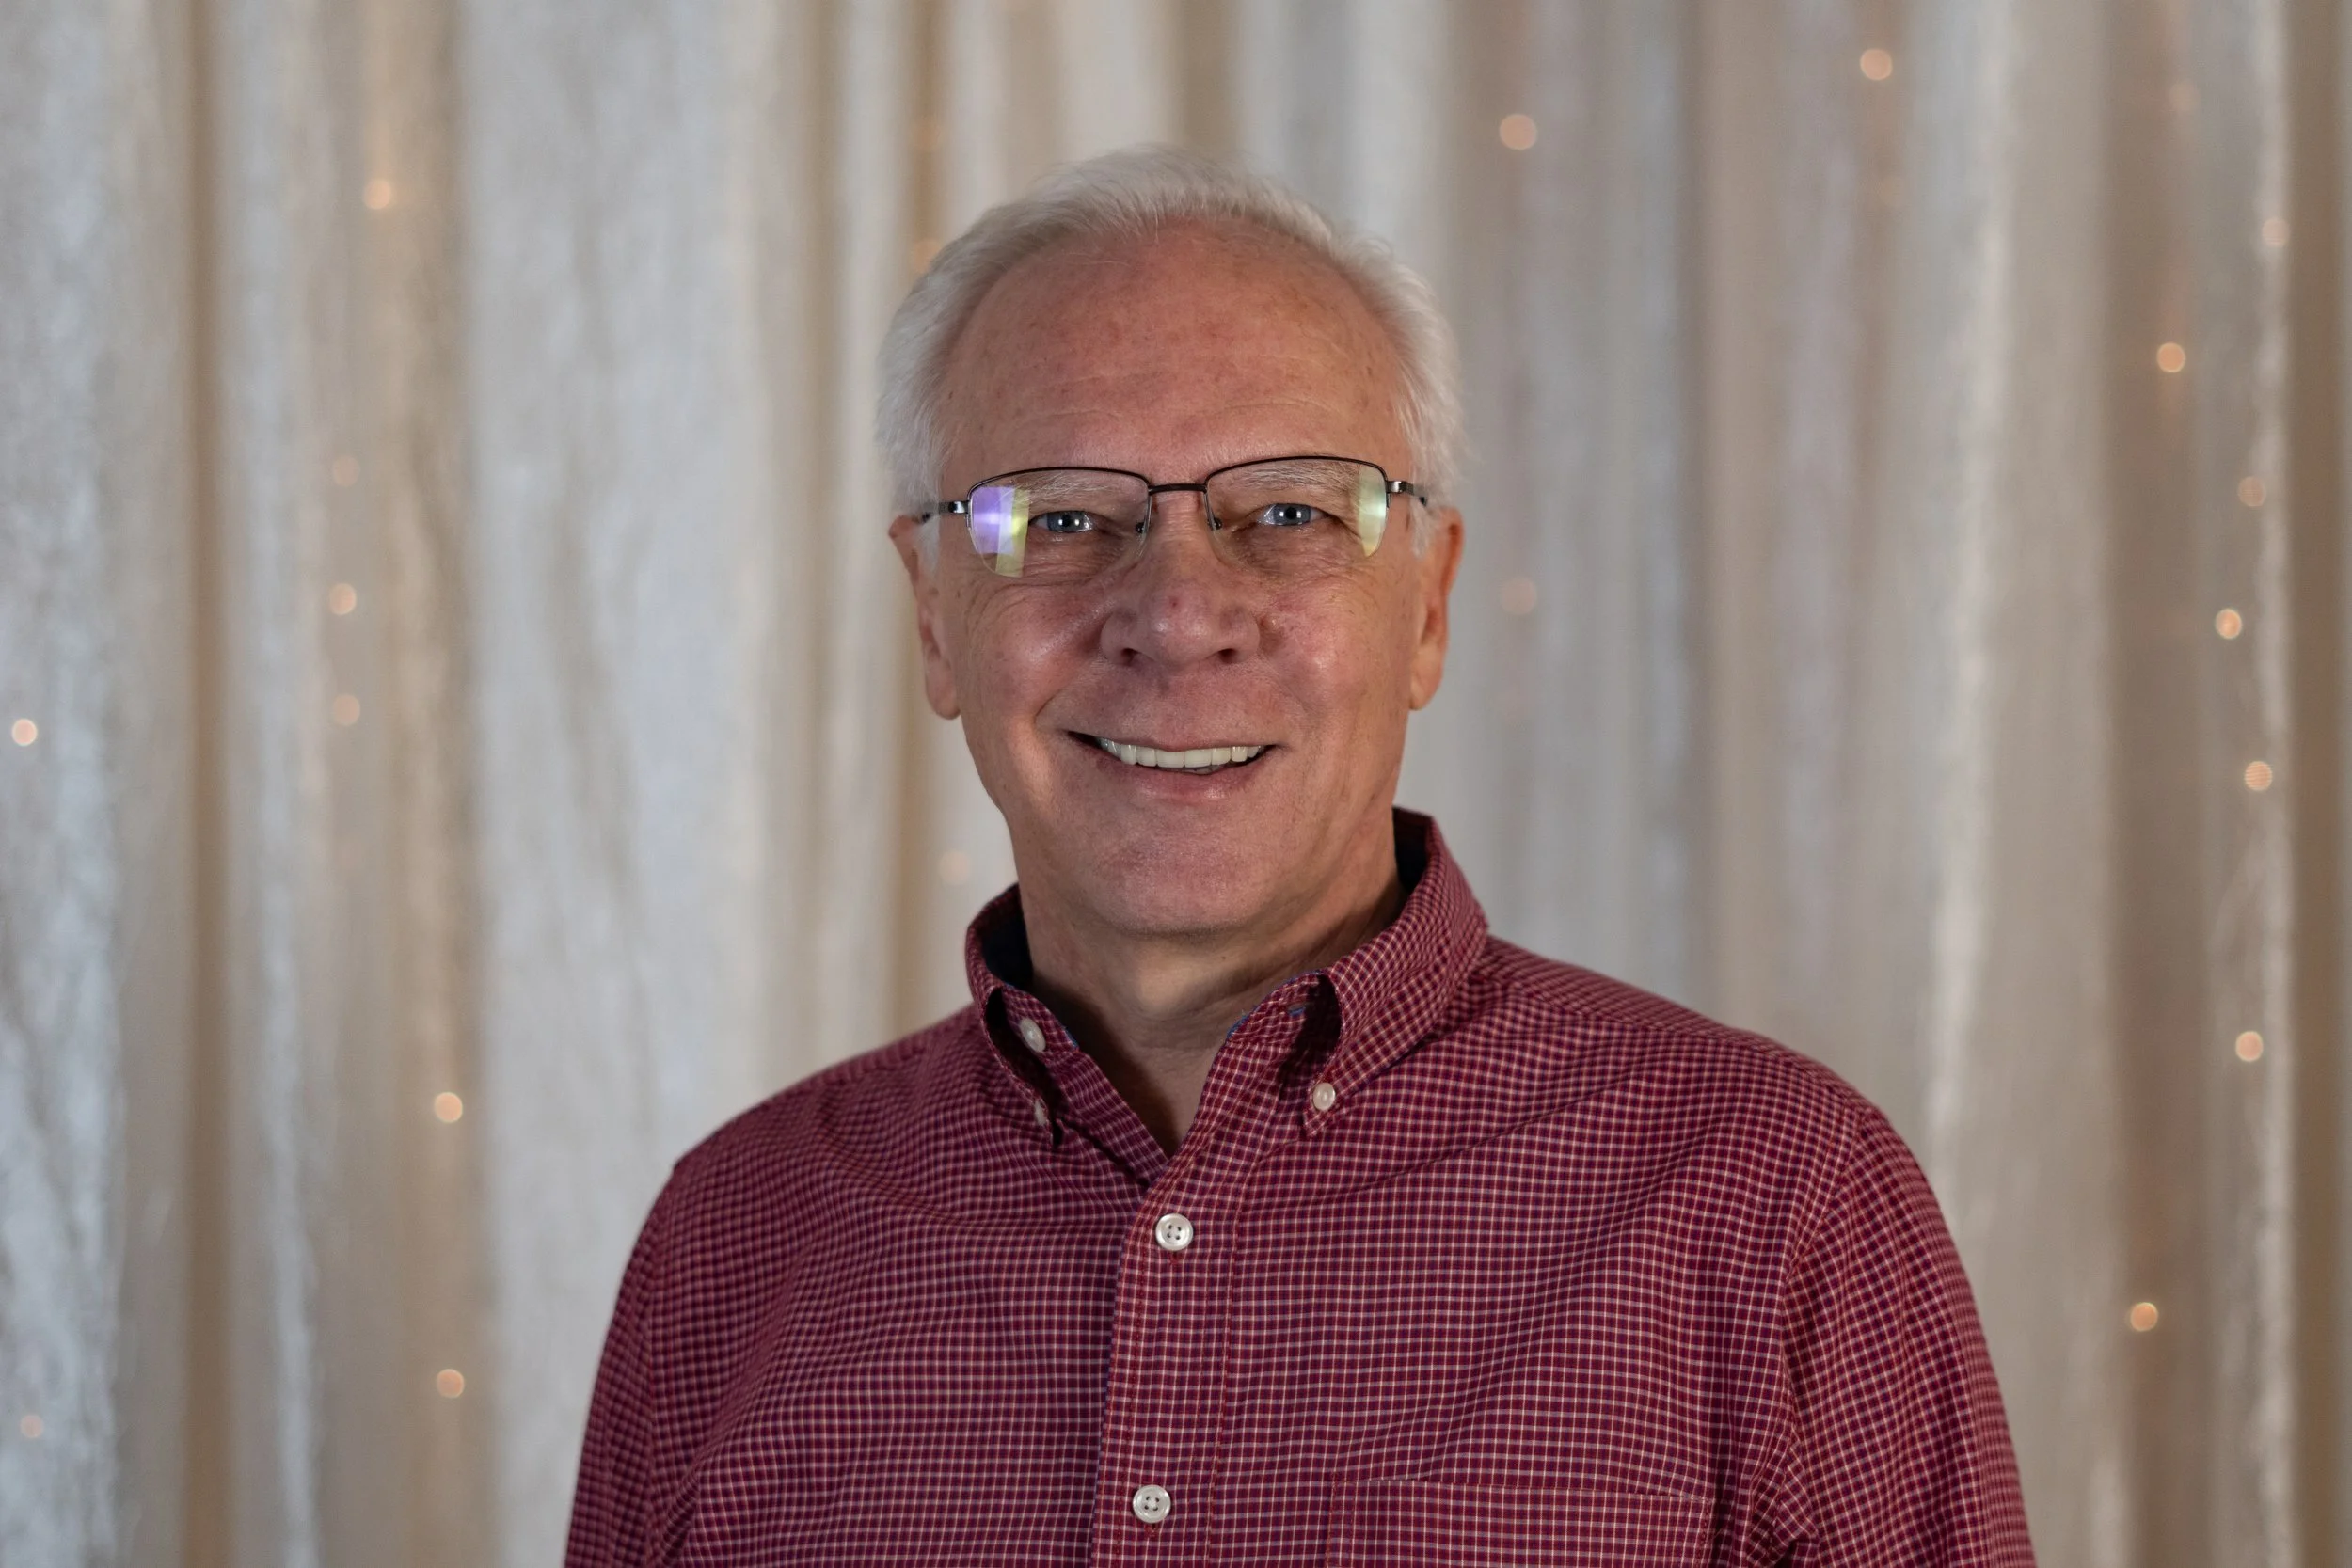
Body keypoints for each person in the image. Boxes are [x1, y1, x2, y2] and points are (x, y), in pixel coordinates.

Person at [564, 145, 2033, 1565]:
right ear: (936, 615)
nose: (1178, 612)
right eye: (1064, 517)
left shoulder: (1775, 1199)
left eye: (1288, 513)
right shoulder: (734, 1240)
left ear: (1430, 605)